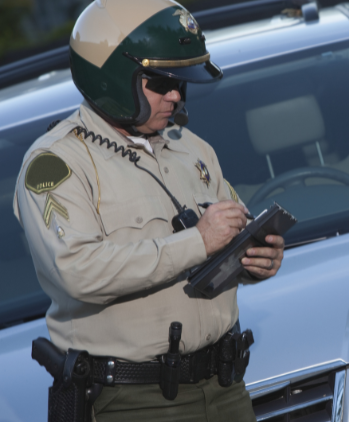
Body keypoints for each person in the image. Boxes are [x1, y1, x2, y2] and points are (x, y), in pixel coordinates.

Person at [13, 1, 283, 420]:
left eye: (182, 82)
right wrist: (197, 242)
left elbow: (227, 234)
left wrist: (253, 260)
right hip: (136, 401)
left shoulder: (193, 149)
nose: (175, 95)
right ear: (114, 76)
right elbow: (78, 271)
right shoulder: (55, 164)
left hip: (226, 387)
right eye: (160, 81)